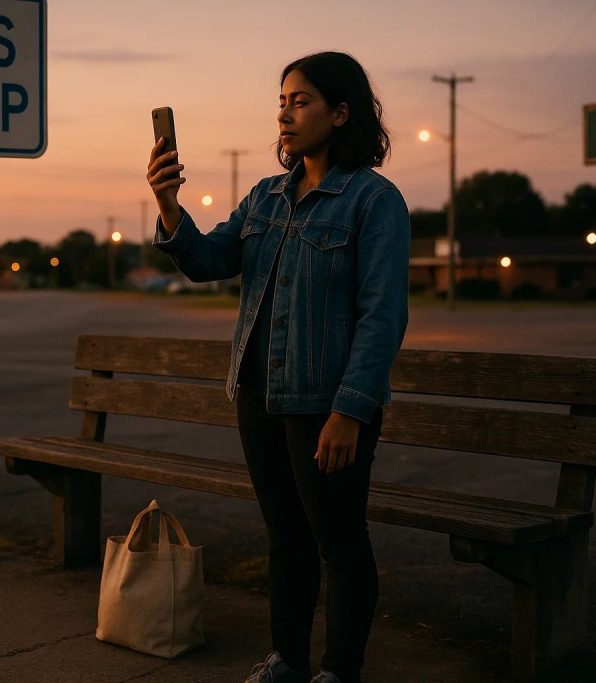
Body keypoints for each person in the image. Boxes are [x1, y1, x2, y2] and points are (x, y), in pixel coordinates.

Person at [146, 51, 410, 683]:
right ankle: (287, 661)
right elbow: (209, 259)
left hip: (326, 403)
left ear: (340, 112)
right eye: (282, 102)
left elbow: (382, 316)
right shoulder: (266, 197)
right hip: (259, 395)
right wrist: (168, 204)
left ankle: (338, 670)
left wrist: (350, 410)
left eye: (301, 101)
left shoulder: (373, 202)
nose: (285, 115)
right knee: (285, 537)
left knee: (338, 544)